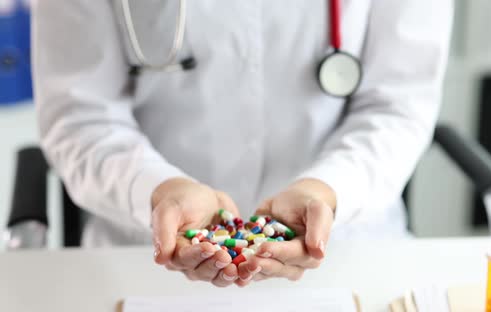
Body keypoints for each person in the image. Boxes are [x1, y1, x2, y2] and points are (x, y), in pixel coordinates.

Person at [32, 0, 453, 287]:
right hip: (145, 262)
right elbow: (80, 116)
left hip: (348, 256)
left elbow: (397, 106)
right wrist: (158, 190)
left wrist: (323, 192)